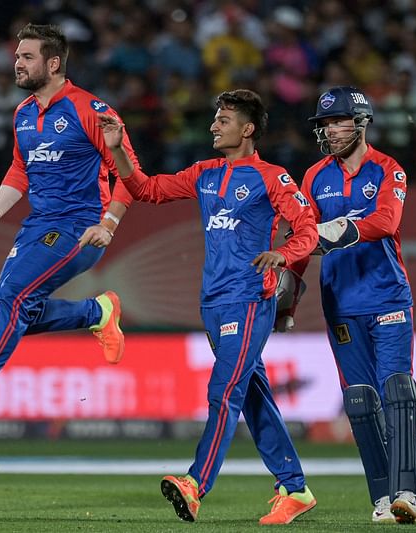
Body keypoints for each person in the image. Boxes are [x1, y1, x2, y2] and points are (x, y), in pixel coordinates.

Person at [99, 89, 318, 525]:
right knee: (252, 395)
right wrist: (120, 149)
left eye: (224, 120)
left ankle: (195, 484)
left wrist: (286, 253)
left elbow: (307, 226)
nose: (214, 126)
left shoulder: (273, 177)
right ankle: (294, 489)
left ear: (247, 129)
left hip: (250, 298)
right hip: (213, 302)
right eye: (215, 119)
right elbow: (143, 188)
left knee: (224, 391)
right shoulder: (204, 173)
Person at [0, 23, 139, 422]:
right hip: (38, 225)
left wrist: (108, 224)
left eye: (27, 57)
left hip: (80, 227)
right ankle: (97, 313)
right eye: (17, 56)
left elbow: (132, 177)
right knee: (13, 308)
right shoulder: (23, 113)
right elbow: (21, 169)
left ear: (53, 63)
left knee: (13, 299)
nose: (16, 64)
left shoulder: (90, 110)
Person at [285, 86, 416, 524]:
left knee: (397, 390)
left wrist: (331, 231)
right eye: (324, 124)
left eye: (338, 121)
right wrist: (289, 289)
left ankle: (407, 492)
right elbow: (304, 241)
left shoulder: (388, 169)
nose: (329, 130)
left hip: (387, 297)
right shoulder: (313, 177)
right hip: (340, 304)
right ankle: (383, 497)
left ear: (361, 123)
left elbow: (386, 222)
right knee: (361, 402)